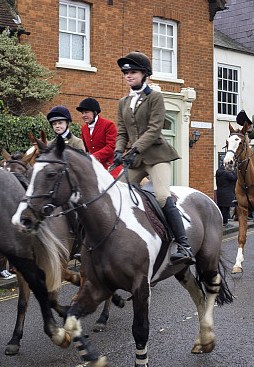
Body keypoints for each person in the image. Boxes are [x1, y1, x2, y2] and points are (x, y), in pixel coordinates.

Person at [113, 51, 193, 264]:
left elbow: (155, 128)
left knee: (161, 196)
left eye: (133, 72)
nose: (128, 75)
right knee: (114, 194)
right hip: (135, 159)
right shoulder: (123, 102)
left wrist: (135, 149)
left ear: (145, 74)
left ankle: (183, 244)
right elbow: (122, 132)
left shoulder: (155, 97)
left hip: (156, 156)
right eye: (126, 72)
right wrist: (119, 151)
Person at [76, 97, 118, 175]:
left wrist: (93, 157)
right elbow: (84, 148)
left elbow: (111, 147)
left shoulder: (108, 125)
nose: (83, 115)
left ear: (95, 112)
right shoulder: (84, 128)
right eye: (82, 113)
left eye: (86, 112)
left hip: (109, 166)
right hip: (93, 166)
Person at [215, 162, 237, 227]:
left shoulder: (218, 171)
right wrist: (234, 170)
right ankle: (225, 222)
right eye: (228, 164)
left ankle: (220, 222)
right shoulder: (226, 173)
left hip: (219, 192)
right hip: (227, 193)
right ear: (225, 165)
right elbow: (235, 178)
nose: (229, 166)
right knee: (225, 208)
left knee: (221, 208)